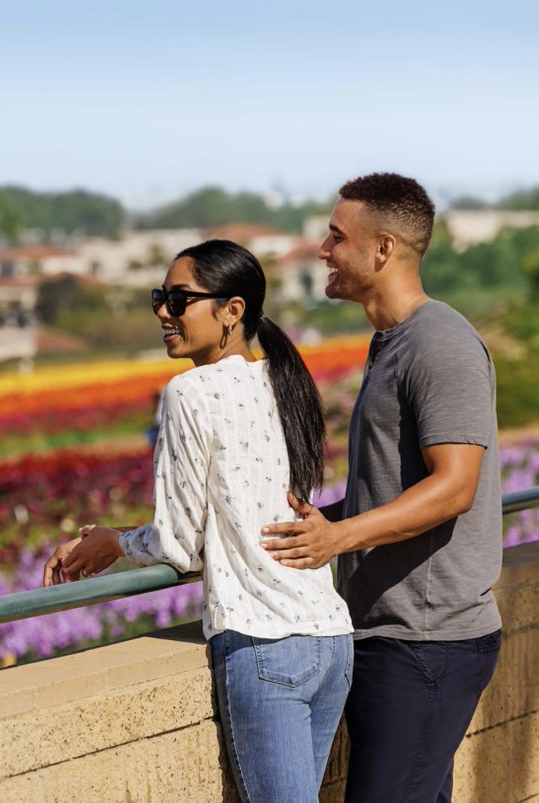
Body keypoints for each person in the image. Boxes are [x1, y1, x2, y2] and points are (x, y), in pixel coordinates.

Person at [44, 239, 353, 802]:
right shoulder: (286, 378)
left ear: (232, 311)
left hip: (265, 639)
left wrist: (113, 541)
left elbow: (180, 544)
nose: (164, 311)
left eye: (180, 299)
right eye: (160, 297)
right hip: (331, 637)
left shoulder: (189, 390)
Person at [260, 173, 501, 803]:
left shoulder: (440, 343)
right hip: (393, 637)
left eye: (337, 237)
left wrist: (338, 536)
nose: (323, 250)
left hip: (427, 643)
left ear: (383, 249)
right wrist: (317, 524)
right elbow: (396, 490)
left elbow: (454, 488)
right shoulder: (391, 343)